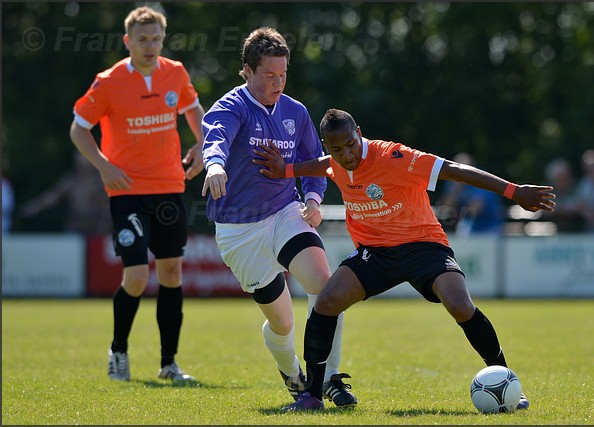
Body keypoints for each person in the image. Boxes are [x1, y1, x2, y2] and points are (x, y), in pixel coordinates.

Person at [254, 108, 556, 411]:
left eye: (350, 144)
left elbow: (453, 169)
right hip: (375, 253)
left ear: (358, 132)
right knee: (326, 302)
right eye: (336, 149)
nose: (346, 154)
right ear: (327, 145)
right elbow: (323, 166)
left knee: (460, 305)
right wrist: (287, 170)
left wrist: (514, 191)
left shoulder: (394, 157)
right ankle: (312, 396)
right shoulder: (335, 161)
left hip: (423, 245)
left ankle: (505, 377)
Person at [201, 28, 357, 407]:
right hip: (239, 232)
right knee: (283, 323)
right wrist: (214, 165)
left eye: (283, 74)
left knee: (325, 284)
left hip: (285, 212)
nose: (278, 82)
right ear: (247, 72)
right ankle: (293, 375)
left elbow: (312, 165)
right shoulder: (231, 106)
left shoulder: (296, 112)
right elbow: (216, 136)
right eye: (269, 75)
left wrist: (316, 199)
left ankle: (330, 378)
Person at [69, 6, 205, 382]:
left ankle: (169, 363)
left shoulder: (174, 73)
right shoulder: (109, 81)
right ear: (128, 41)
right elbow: (79, 130)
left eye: (156, 38)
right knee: (136, 277)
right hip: (126, 191)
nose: (150, 45)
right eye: (142, 39)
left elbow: (194, 110)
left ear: (164, 39)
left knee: (172, 271)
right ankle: (118, 352)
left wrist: (201, 144)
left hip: (168, 185)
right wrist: (104, 166)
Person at [18, 151, 112, 235]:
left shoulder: (100, 181)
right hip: (74, 228)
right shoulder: (71, 181)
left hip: (96, 230)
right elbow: (52, 197)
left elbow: (107, 207)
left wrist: (103, 227)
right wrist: (34, 207)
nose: (82, 163)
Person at [438, 152, 504, 236]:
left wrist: (457, 210)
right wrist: (456, 188)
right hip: (470, 226)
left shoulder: (479, 177)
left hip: (490, 226)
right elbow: (447, 207)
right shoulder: (452, 182)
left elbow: (476, 208)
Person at [540, 157, 581, 233]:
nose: (565, 180)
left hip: (578, 230)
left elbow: (582, 206)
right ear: (553, 179)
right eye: (561, 178)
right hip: (549, 232)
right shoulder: (546, 190)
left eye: (566, 177)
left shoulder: (577, 187)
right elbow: (542, 210)